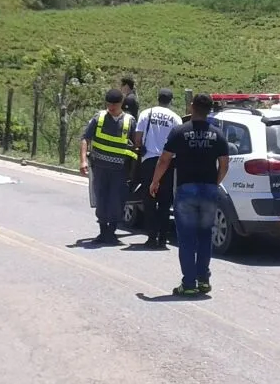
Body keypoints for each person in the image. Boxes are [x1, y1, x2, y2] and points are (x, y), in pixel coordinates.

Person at [151, 93, 230, 296]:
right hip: (209, 189)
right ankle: (203, 280)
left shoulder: (179, 132)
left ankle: (188, 284)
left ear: (192, 107)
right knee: (205, 236)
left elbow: (164, 160)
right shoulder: (218, 134)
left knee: (186, 239)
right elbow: (224, 163)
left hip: (186, 190)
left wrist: (155, 181)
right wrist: (215, 183)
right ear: (210, 110)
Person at [80, 88, 137, 244]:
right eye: (109, 104)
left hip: (120, 170)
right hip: (100, 167)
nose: (111, 107)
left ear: (121, 104)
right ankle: (103, 231)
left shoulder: (129, 121)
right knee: (102, 199)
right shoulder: (99, 118)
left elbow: (136, 145)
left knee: (116, 201)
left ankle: (112, 232)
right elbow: (85, 138)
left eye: (115, 105)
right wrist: (83, 160)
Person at [134, 88, 182, 248]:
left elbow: (138, 138)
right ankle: (162, 238)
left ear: (158, 98)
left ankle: (151, 236)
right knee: (164, 201)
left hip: (149, 161)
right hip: (168, 163)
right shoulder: (176, 118)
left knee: (149, 201)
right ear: (171, 100)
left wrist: (139, 148)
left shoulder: (146, 113)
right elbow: (178, 141)